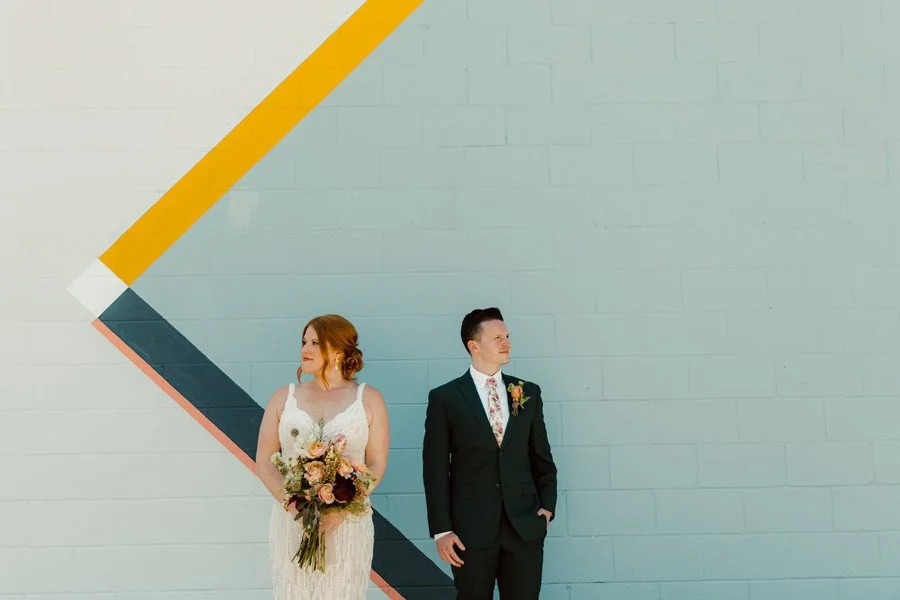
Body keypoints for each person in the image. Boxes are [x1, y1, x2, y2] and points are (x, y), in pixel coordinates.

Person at [422, 307, 558, 600]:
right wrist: (442, 530)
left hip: (524, 527)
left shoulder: (528, 392)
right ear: (474, 345)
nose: (507, 342)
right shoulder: (445, 398)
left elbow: (542, 459)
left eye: (507, 336)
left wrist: (546, 509)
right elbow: (435, 470)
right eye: (497, 338)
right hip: (469, 530)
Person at [256, 314, 390, 600]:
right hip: (293, 522)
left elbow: (377, 463)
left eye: (315, 343)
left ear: (338, 350)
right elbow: (265, 459)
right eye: (304, 342)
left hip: (347, 523)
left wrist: (341, 511)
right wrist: (294, 506)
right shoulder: (283, 397)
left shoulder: (369, 398)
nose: (305, 349)